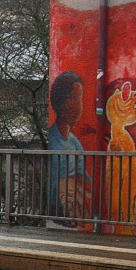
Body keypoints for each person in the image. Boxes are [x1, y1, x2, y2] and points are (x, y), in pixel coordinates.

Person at [47, 71, 93, 226]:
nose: (81, 106)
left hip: (74, 207)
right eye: (78, 99)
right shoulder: (52, 140)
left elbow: (82, 177)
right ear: (66, 103)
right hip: (59, 208)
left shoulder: (74, 142)